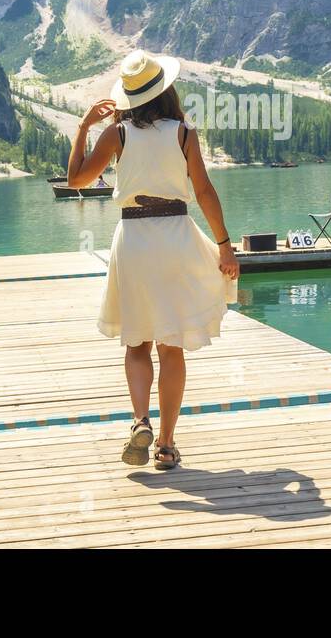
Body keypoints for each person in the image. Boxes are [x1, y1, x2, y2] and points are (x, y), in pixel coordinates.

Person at [67, 51, 239, 470]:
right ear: (165, 90)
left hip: (135, 239)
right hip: (175, 236)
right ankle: (165, 444)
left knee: (137, 340)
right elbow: (203, 192)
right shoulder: (184, 134)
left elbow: (76, 181)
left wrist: (84, 127)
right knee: (171, 345)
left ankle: (140, 420)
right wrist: (225, 245)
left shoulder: (118, 134)